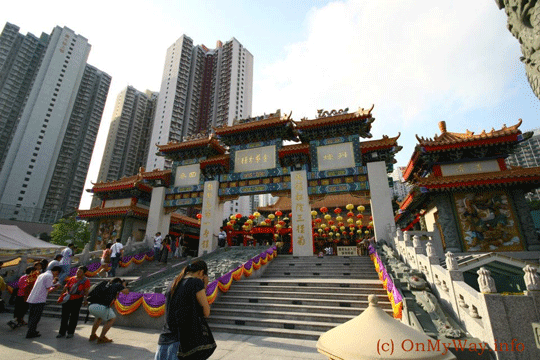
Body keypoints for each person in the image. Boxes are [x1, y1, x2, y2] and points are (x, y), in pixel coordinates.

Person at [154, 260, 215, 360]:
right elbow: (206, 312)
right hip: (182, 344)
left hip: (164, 340)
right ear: (201, 272)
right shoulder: (196, 282)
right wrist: (204, 286)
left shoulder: (173, 283)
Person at [88, 278, 129, 344]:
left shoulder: (106, 285)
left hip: (91, 306)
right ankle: (101, 337)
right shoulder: (118, 284)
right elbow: (126, 291)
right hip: (101, 306)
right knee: (112, 318)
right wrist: (123, 285)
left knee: (98, 318)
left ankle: (92, 335)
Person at [25, 266, 61, 339]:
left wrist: (53, 283)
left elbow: (47, 285)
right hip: (39, 299)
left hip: (33, 298)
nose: (56, 275)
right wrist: (56, 287)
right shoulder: (49, 276)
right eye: (57, 273)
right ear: (56, 271)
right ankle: (30, 333)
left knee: (32, 316)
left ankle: (32, 330)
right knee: (36, 317)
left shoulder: (42, 274)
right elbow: (48, 287)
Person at [57, 265, 91, 338]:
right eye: (78, 271)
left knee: (74, 316)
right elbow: (65, 287)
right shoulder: (71, 278)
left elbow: (86, 291)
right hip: (68, 298)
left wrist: (85, 299)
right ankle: (61, 332)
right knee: (64, 316)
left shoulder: (85, 280)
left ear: (84, 273)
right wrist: (61, 296)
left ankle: (70, 332)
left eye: (80, 271)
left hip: (77, 299)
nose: (78, 272)